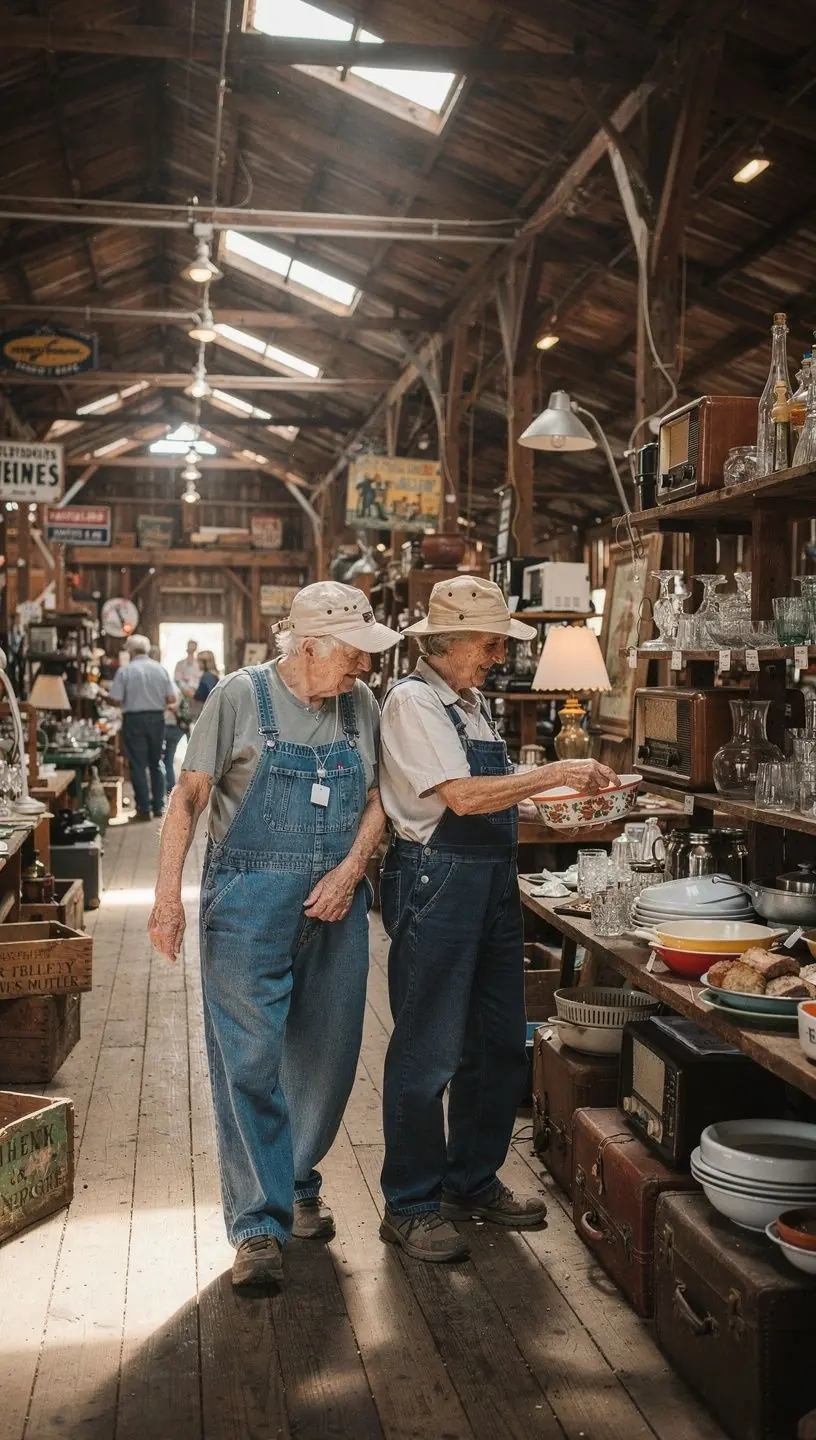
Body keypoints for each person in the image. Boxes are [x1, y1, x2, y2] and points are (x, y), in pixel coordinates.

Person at [147, 582, 400, 1289]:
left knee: (329, 1052)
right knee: (250, 1061)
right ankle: (258, 1222)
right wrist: (167, 898)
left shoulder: (361, 705)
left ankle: (294, 1177)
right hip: (248, 902)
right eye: (356, 655)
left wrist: (352, 871)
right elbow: (188, 797)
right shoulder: (238, 696)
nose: (366, 669)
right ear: (310, 644)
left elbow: (380, 797)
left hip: (335, 900)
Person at [377, 576, 618, 1262]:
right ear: (446, 644)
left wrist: (562, 808)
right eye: (488, 644)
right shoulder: (414, 703)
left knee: (494, 1042)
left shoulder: (472, 704)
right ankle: (412, 1202)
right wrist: (555, 772)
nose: (495, 656)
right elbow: (463, 797)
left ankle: (471, 1180)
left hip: (490, 886)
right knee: (428, 1051)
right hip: (436, 884)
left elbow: (499, 800)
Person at [108, 634, 177, 822]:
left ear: (130, 651)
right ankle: (159, 806)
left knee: (138, 765)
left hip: (134, 719)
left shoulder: (126, 671)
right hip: (156, 719)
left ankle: (143, 808)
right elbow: (172, 699)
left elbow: (115, 699)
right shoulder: (160, 669)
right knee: (156, 762)